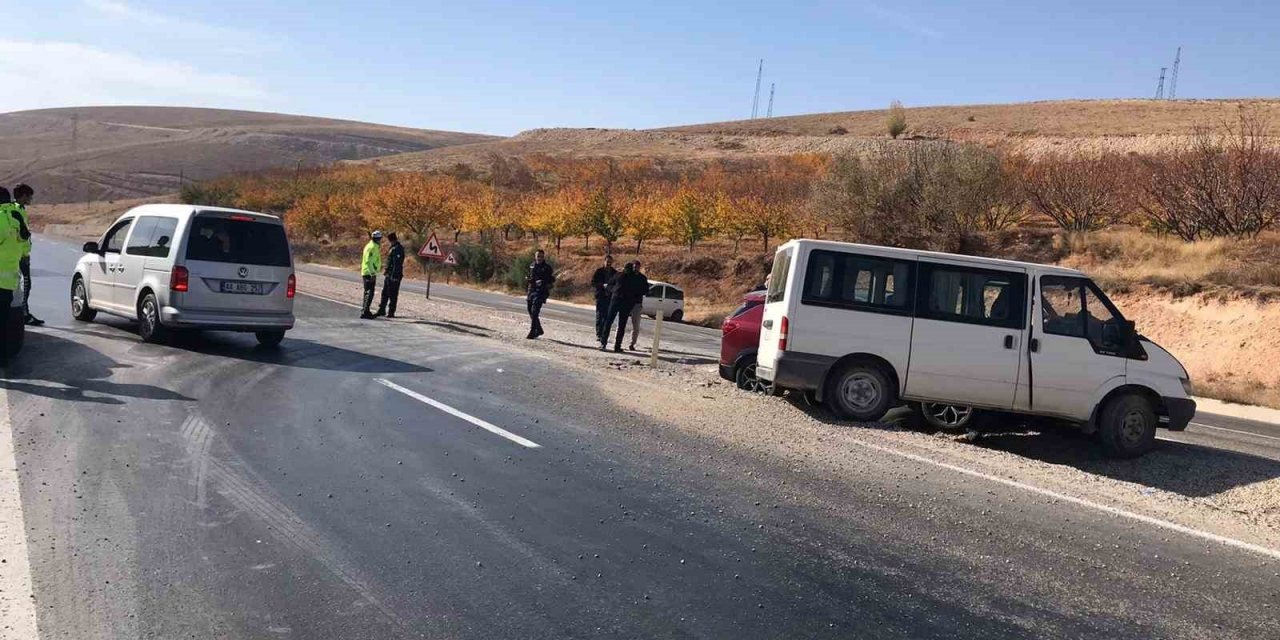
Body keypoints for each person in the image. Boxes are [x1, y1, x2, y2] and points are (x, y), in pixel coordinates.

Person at [0, 187, 30, 353]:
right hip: (9, 281)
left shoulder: (1, 219)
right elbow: (25, 244)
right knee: (4, 322)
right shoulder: (16, 217)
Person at [601, 261, 646, 352]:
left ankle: (604, 343)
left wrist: (613, 291)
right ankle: (616, 346)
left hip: (617, 300)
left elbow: (609, 285)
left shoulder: (619, 275)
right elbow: (640, 291)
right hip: (625, 302)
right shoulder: (634, 278)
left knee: (609, 322)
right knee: (621, 325)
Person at [11, 184, 39, 326]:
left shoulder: (21, 210)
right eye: (29, 196)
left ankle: (25, 312)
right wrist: (22, 254)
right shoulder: (15, 210)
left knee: (25, 284)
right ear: (23, 196)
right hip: (19, 255)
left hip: (23, 253)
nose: (31, 199)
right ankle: (23, 314)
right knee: (24, 284)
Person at [525, 249, 554, 339]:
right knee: (530, 310)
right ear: (535, 256)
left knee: (535, 311)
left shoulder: (547, 267)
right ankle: (539, 329)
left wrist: (543, 281)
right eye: (538, 256)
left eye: (541, 256)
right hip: (531, 291)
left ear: (543, 257)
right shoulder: (532, 265)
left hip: (541, 292)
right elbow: (530, 276)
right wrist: (528, 278)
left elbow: (552, 279)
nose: (539, 258)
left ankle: (533, 331)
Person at [375, 232, 405, 318]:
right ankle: (382, 309)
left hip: (394, 275)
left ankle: (391, 312)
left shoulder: (397, 249)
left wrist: (394, 276)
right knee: (385, 293)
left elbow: (397, 264)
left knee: (393, 294)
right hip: (389, 274)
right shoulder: (393, 248)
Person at [590, 254, 617, 343]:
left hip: (610, 297)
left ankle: (604, 335)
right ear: (604, 261)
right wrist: (602, 285)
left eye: (610, 262)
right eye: (607, 262)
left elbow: (617, 285)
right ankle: (599, 334)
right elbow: (593, 282)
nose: (608, 263)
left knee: (607, 317)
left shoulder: (614, 273)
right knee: (599, 315)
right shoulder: (599, 271)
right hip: (600, 296)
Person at [625, 259, 650, 350]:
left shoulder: (642, 278)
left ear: (640, 268)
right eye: (634, 267)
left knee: (636, 326)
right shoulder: (627, 276)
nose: (636, 268)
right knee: (621, 324)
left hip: (637, 304)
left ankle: (632, 343)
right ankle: (617, 341)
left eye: (637, 267)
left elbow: (646, 290)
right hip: (627, 303)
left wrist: (638, 291)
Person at [360, 230, 383, 320]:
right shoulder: (372, 247)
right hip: (369, 273)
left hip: (369, 272)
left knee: (368, 292)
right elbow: (368, 261)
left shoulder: (373, 246)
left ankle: (365, 310)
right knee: (369, 292)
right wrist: (372, 273)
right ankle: (365, 311)